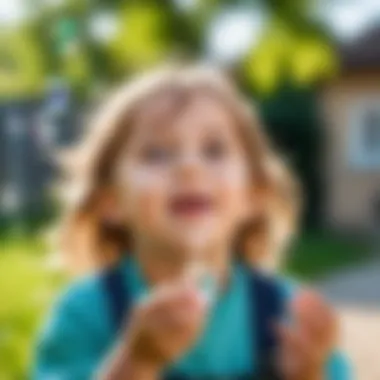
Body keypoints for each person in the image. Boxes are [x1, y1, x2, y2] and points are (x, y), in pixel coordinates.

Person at [34, 66, 351, 380]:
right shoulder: (86, 314)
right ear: (110, 201)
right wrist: (136, 362)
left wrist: (309, 373)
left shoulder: (288, 314)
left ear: (254, 195)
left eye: (214, 150)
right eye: (156, 153)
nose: (189, 166)